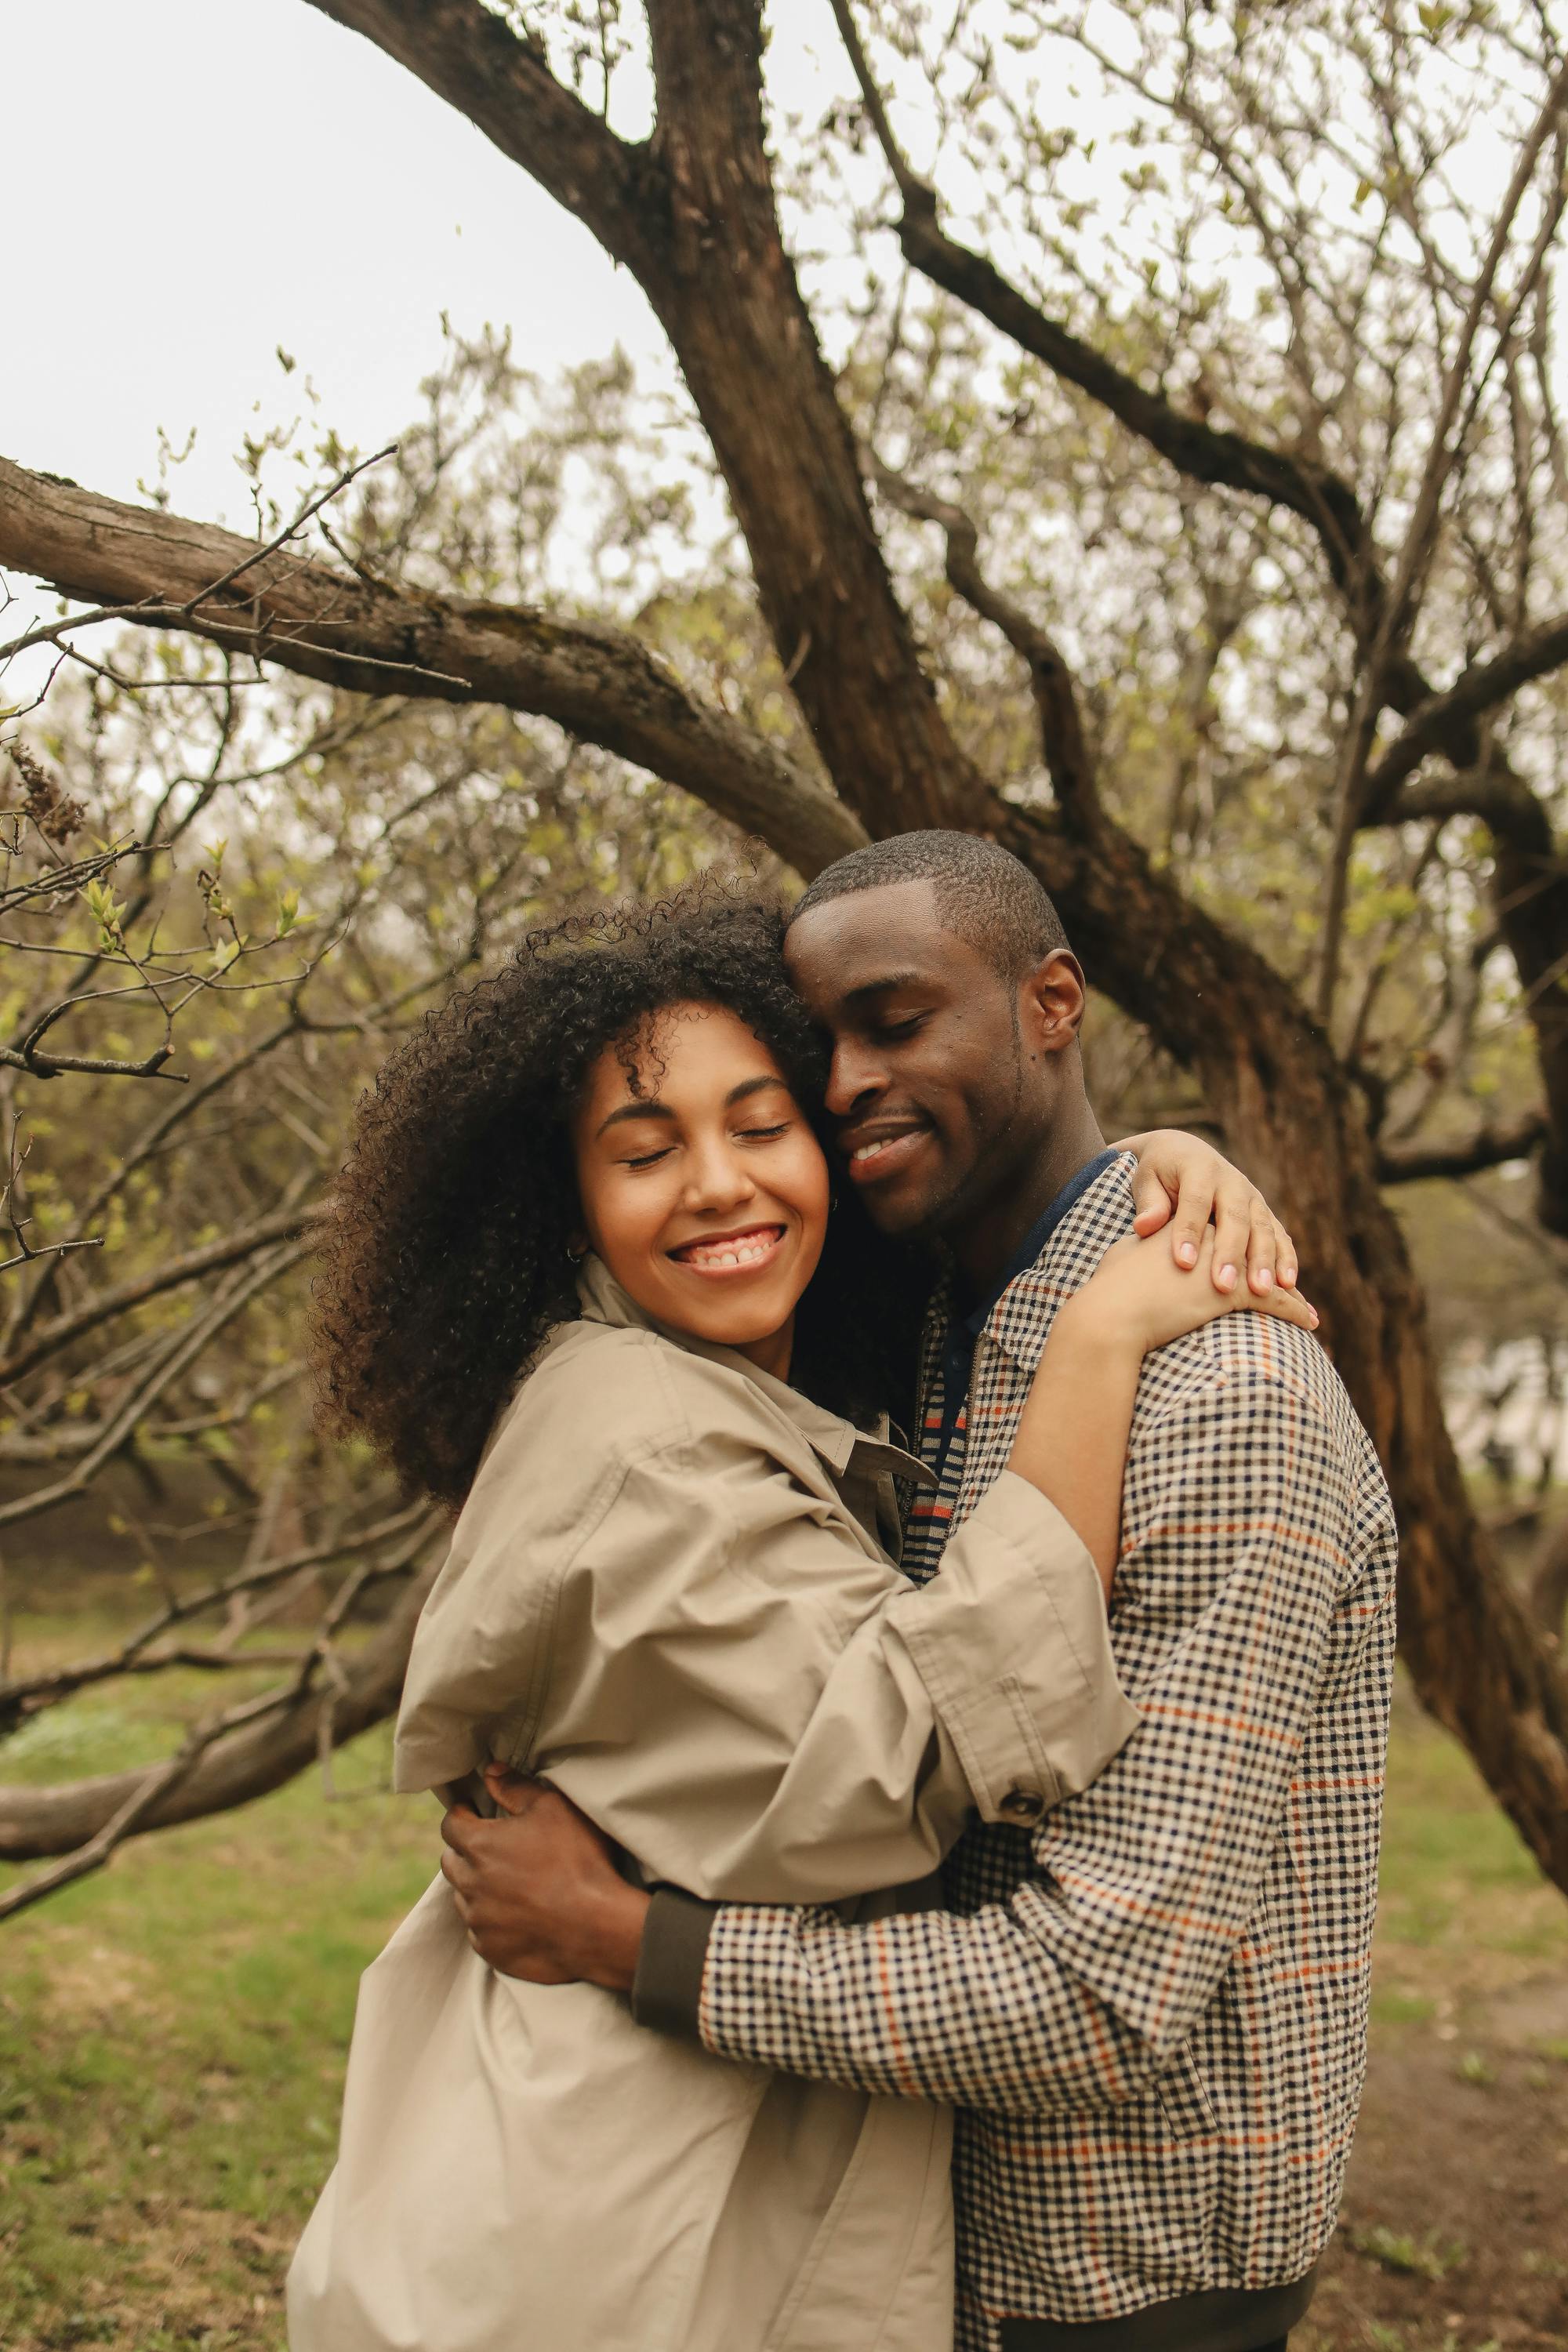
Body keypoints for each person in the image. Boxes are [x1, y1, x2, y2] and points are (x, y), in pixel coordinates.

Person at [286, 882, 1313, 2352]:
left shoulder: (749, 1394)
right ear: (567, 1201)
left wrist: (1138, 1170)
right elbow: (902, 1768)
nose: (717, 1185)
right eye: (646, 1154)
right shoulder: (639, 1439)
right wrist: (1096, 1341)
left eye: (765, 1128)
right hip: (619, 2233)